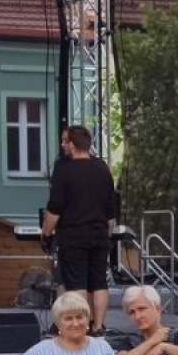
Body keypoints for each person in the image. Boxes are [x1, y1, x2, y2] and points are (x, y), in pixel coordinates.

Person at [42, 124, 118, 334]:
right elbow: (111, 212)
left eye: (65, 141)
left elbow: (55, 208)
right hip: (99, 233)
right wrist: (107, 236)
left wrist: (46, 234)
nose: (62, 145)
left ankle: (81, 327)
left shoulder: (64, 170)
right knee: (99, 282)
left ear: (73, 145)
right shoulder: (102, 168)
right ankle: (98, 326)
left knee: (77, 283)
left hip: (74, 235)